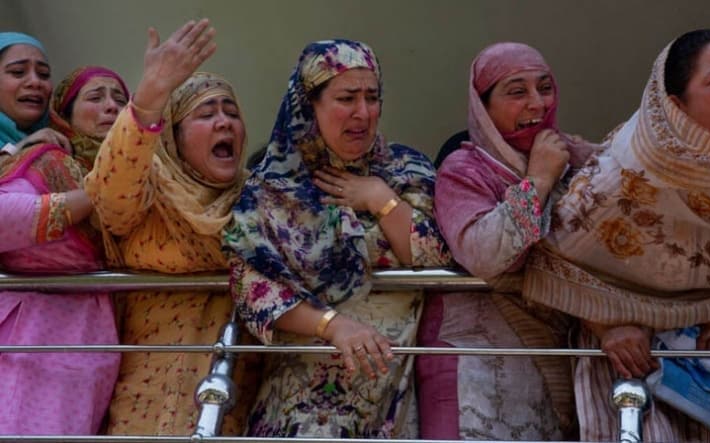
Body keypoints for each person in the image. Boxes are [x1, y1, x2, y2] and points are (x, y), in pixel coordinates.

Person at [523, 29, 710, 441]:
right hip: (629, 362)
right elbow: (555, 257)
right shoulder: (625, 169)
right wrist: (607, 329)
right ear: (676, 105)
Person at [223, 39, 451, 438]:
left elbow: (436, 254)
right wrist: (333, 325)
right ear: (309, 105)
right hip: (300, 397)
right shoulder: (274, 186)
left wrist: (379, 198)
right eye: (347, 98)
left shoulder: (406, 169)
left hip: (389, 393)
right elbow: (253, 287)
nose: (363, 112)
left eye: (372, 97)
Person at [84, 20, 260, 436]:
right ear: (175, 138)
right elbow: (109, 196)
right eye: (206, 113)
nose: (224, 123)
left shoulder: (261, 202)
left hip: (235, 397)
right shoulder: (150, 197)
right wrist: (148, 100)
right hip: (145, 399)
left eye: (231, 112)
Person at [419, 42, 597, 440]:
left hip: (551, 361)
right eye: (517, 92)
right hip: (474, 367)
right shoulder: (464, 169)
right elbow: (484, 253)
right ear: (483, 106)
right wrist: (537, 181)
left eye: (545, 87)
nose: (537, 103)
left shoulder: (575, 162)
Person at [0, 34, 127, 434]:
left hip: (95, 342)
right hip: (33, 336)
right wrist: (93, 193)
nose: (35, 81)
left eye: (43, 73)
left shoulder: (58, 151)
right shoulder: (43, 159)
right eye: (17, 72)